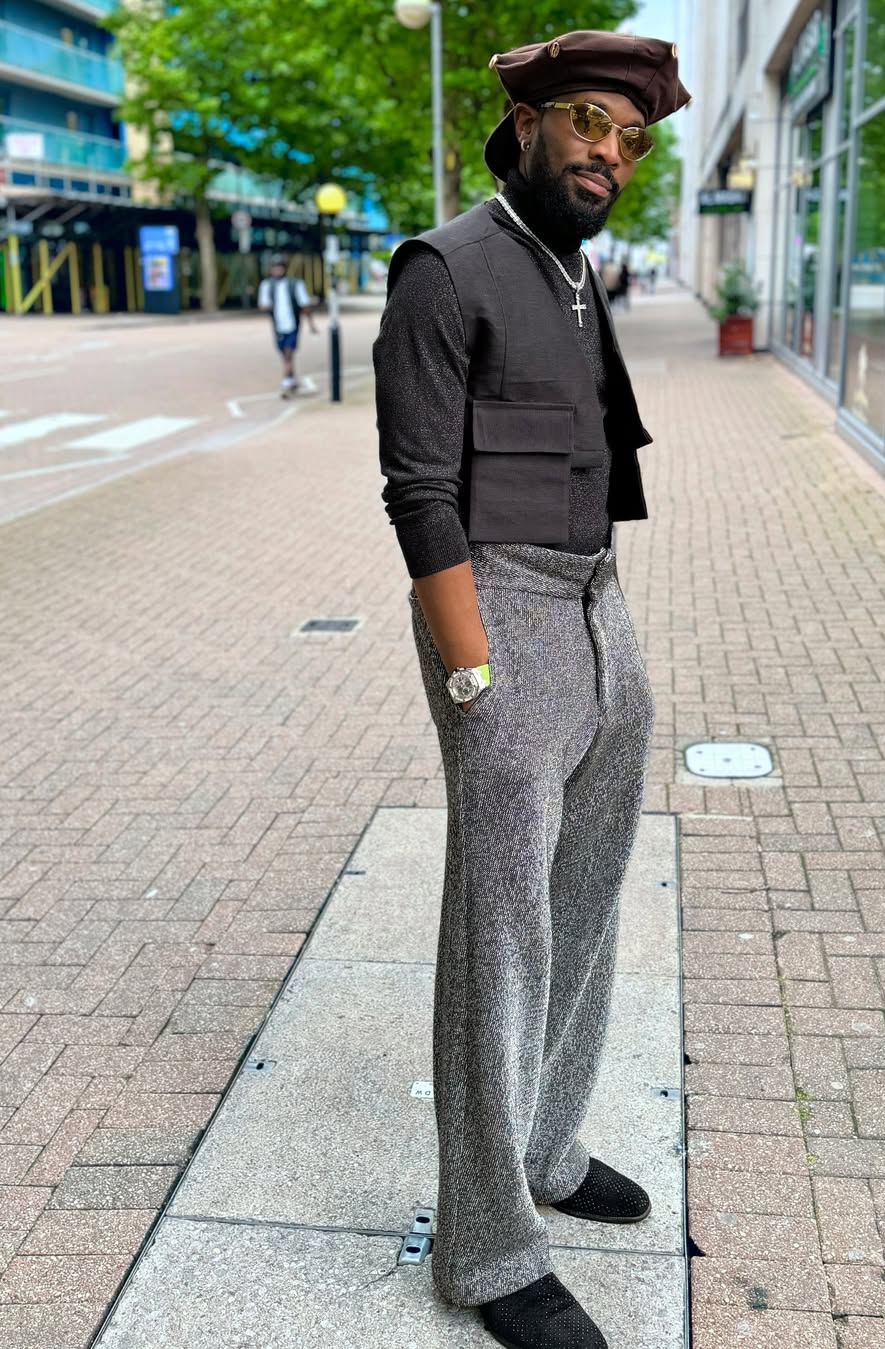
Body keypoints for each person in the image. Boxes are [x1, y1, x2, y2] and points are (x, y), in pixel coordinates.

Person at [374, 29, 690, 1349]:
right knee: (500, 940)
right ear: (526, 123)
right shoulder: (446, 269)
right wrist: (474, 676)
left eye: (633, 136)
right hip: (498, 610)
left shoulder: (572, 267)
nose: (611, 151)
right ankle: (489, 1244)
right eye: (588, 121)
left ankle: (550, 1146)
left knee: (588, 905)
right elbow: (419, 492)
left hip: (598, 604)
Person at [257, 254, 317, 397]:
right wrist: (269, 305)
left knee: (288, 353)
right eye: (275, 267)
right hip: (278, 326)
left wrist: (311, 324)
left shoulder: (295, 284)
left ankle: (285, 383)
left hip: (292, 325)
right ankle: (292, 379)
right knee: (284, 355)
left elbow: (305, 305)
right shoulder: (267, 286)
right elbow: (263, 305)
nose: (277, 270)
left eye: (280, 267)